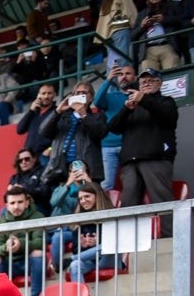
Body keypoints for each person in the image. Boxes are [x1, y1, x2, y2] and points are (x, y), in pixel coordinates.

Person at [109, 66, 178, 237]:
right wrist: (126, 109)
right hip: (130, 162)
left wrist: (144, 100)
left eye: (151, 80)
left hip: (156, 158)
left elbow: (168, 117)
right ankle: (127, 244)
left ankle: (172, 240)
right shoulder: (133, 106)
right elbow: (113, 128)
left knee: (162, 200)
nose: (146, 83)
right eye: (143, 81)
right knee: (128, 204)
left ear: (159, 84)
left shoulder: (166, 101)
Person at [40, 81, 108, 187]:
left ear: (91, 98)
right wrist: (58, 110)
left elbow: (99, 133)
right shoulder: (61, 116)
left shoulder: (98, 117)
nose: (80, 95)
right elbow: (43, 132)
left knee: (86, 201)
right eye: (77, 93)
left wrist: (84, 114)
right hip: (59, 170)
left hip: (86, 170)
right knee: (60, 201)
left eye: (84, 93)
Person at [93, 64, 138, 191]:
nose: (124, 77)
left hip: (129, 144)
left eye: (128, 74)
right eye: (121, 74)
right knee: (107, 185)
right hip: (108, 146)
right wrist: (108, 79)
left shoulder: (139, 97)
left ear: (135, 77)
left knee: (131, 182)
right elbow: (97, 102)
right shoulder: (111, 97)